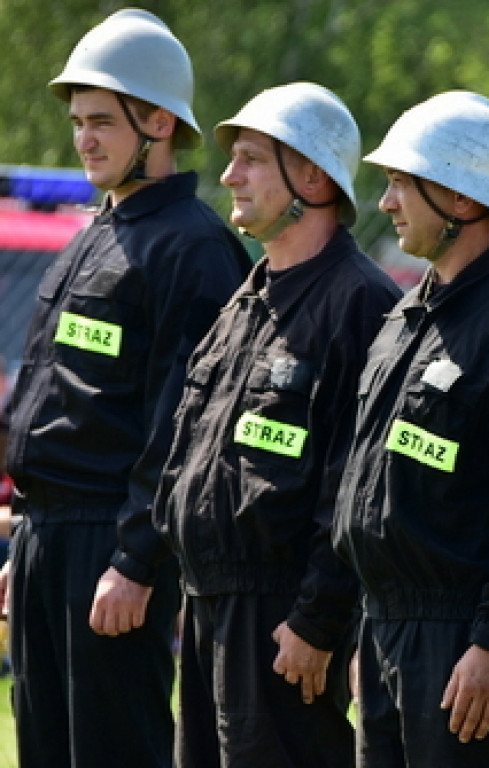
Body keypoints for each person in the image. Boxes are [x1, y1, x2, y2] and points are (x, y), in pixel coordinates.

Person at [0, 9, 251, 768]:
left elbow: (185, 427)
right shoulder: (95, 233)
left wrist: (137, 560)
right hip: (48, 539)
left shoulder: (198, 251)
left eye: (102, 120)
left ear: (160, 123)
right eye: (79, 121)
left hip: (112, 546)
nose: (84, 138)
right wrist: (28, 541)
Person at [331, 90, 489, 768]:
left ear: (463, 202)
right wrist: (371, 627)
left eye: (401, 185)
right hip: (388, 628)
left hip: (465, 642)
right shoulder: (406, 313)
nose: (385, 202)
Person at [152, 82, 401, 767]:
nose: (229, 174)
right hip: (211, 612)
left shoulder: (360, 303)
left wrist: (318, 620)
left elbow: (353, 486)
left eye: (253, 159)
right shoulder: (248, 296)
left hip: (286, 622)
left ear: (313, 176)